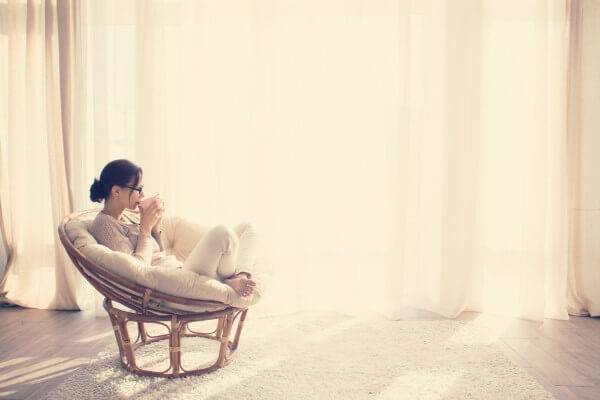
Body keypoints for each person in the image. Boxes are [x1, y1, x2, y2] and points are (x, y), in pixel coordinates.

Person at [88, 159, 257, 299]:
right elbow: (135, 271)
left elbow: (159, 255)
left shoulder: (127, 216)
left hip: (179, 271)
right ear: (116, 191)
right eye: (138, 189)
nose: (142, 195)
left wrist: (155, 228)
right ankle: (228, 280)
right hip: (170, 286)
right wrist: (145, 229)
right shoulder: (104, 225)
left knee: (247, 228)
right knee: (223, 233)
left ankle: (237, 276)